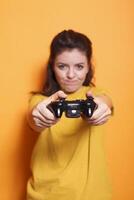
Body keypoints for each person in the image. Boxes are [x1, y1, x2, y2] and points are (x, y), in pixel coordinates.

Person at [27, 30, 113, 200]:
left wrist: (100, 108)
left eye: (79, 66)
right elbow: (34, 117)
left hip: (93, 195)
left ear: (89, 66)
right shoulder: (39, 100)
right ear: (52, 66)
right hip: (46, 195)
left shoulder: (98, 94)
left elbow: (105, 101)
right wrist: (40, 116)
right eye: (62, 66)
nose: (71, 75)